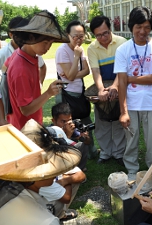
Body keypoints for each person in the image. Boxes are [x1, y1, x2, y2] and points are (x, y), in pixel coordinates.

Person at [114, 6, 152, 184]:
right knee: (131, 140)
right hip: (132, 103)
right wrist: (123, 111)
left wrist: (130, 78)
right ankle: (132, 171)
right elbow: (121, 82)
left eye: (146, 27)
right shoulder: (123, 50)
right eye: (138, 26)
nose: (142, 31)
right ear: (131, 27)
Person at [0, 119, 82, 225]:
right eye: (49, 164)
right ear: (34, 175)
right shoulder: (47, 222)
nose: (56, 171)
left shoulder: (8, 192)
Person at [6, 11, 69, 130]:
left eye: (50, 43)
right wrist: (48, 93)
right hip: (25, 131)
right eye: (45, 42)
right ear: (31, 37)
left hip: (32, 125)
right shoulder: (21, 68)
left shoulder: (26, 55)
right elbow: (25, 110)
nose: (48, 48)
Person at [55, 20, 97, 160]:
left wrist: (71, 75)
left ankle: (91, 152)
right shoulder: (62, 51)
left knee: (85, 123)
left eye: (81, 36)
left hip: (79, 93)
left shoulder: (80, 48)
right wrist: (76, 56)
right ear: (68, 35)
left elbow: (86, 71)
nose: (79, 39)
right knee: (68, 126)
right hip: (66, 95)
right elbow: (72, 75)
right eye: (75, 36)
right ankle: (70, 155)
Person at [87, 16, 127, 163]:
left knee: (118, 121)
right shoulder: (92, 48)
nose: (103, 38)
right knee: (102, 122)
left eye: (105, 33)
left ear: (111, 29)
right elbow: (96, 71)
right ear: (93, 35)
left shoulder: (122, 43)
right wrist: (101, 90)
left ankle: (118, 153)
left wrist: (115, 86)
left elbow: (122, 70)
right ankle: (105, 153)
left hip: (120, 86)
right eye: (98, 35)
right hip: (103, 88)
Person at [0, 16, 47, 85]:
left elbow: (42, 67)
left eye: (25, 34)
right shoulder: (3, 54)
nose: (23, 38)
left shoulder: (32, 50)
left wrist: (39, 85)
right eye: (19, 34)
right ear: (11, 34)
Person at [50, 102, 91, 171]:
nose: (67, 124)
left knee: (83, 145)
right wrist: (68, 135)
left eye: (69, 120)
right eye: (63, 121)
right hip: (56, 160)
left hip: (69, 155)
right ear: (54, 121)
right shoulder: (51, 131)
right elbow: (59, 153)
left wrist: (85, 137)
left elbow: (87, 143)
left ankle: (79, 168)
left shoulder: (71, 126)